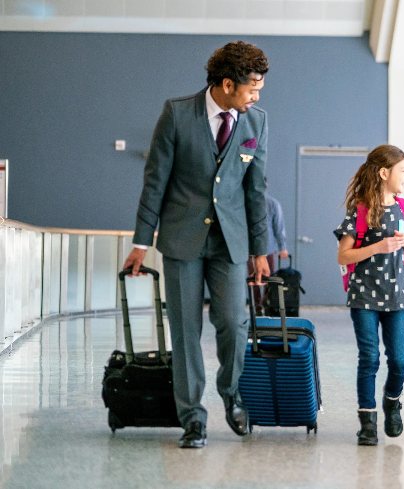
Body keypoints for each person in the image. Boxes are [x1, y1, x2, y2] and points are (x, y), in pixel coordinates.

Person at [123, 41, 271, 449]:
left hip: (231, 244)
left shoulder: (255, 122)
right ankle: (192, 417)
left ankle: (231, 391)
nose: (257, 96)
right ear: (227, 84)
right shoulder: (176, 114)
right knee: (186, 330)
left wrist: (261, 251)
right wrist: (140, 241)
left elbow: (256, 191)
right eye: (252, 88)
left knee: (234, 324)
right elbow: (154, 182)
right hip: (181, 240)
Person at [335, 144, 404, 446]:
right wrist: (378, 247)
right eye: (403, 171)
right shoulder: (360, 211)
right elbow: (343, 257)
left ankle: (391, 401)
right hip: (363, 297)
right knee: (369, 358)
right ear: (384, 172)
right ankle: (367, 422)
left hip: (397, 297)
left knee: (400, 360)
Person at [246, 177, 289, 316]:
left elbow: (278, 227)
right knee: (259, 279)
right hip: (256, 248)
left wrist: (283, 247)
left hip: (265, 248)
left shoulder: (271, 204)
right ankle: (260, 306)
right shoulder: (248, 203)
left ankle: (263, 305)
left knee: (262, 278)